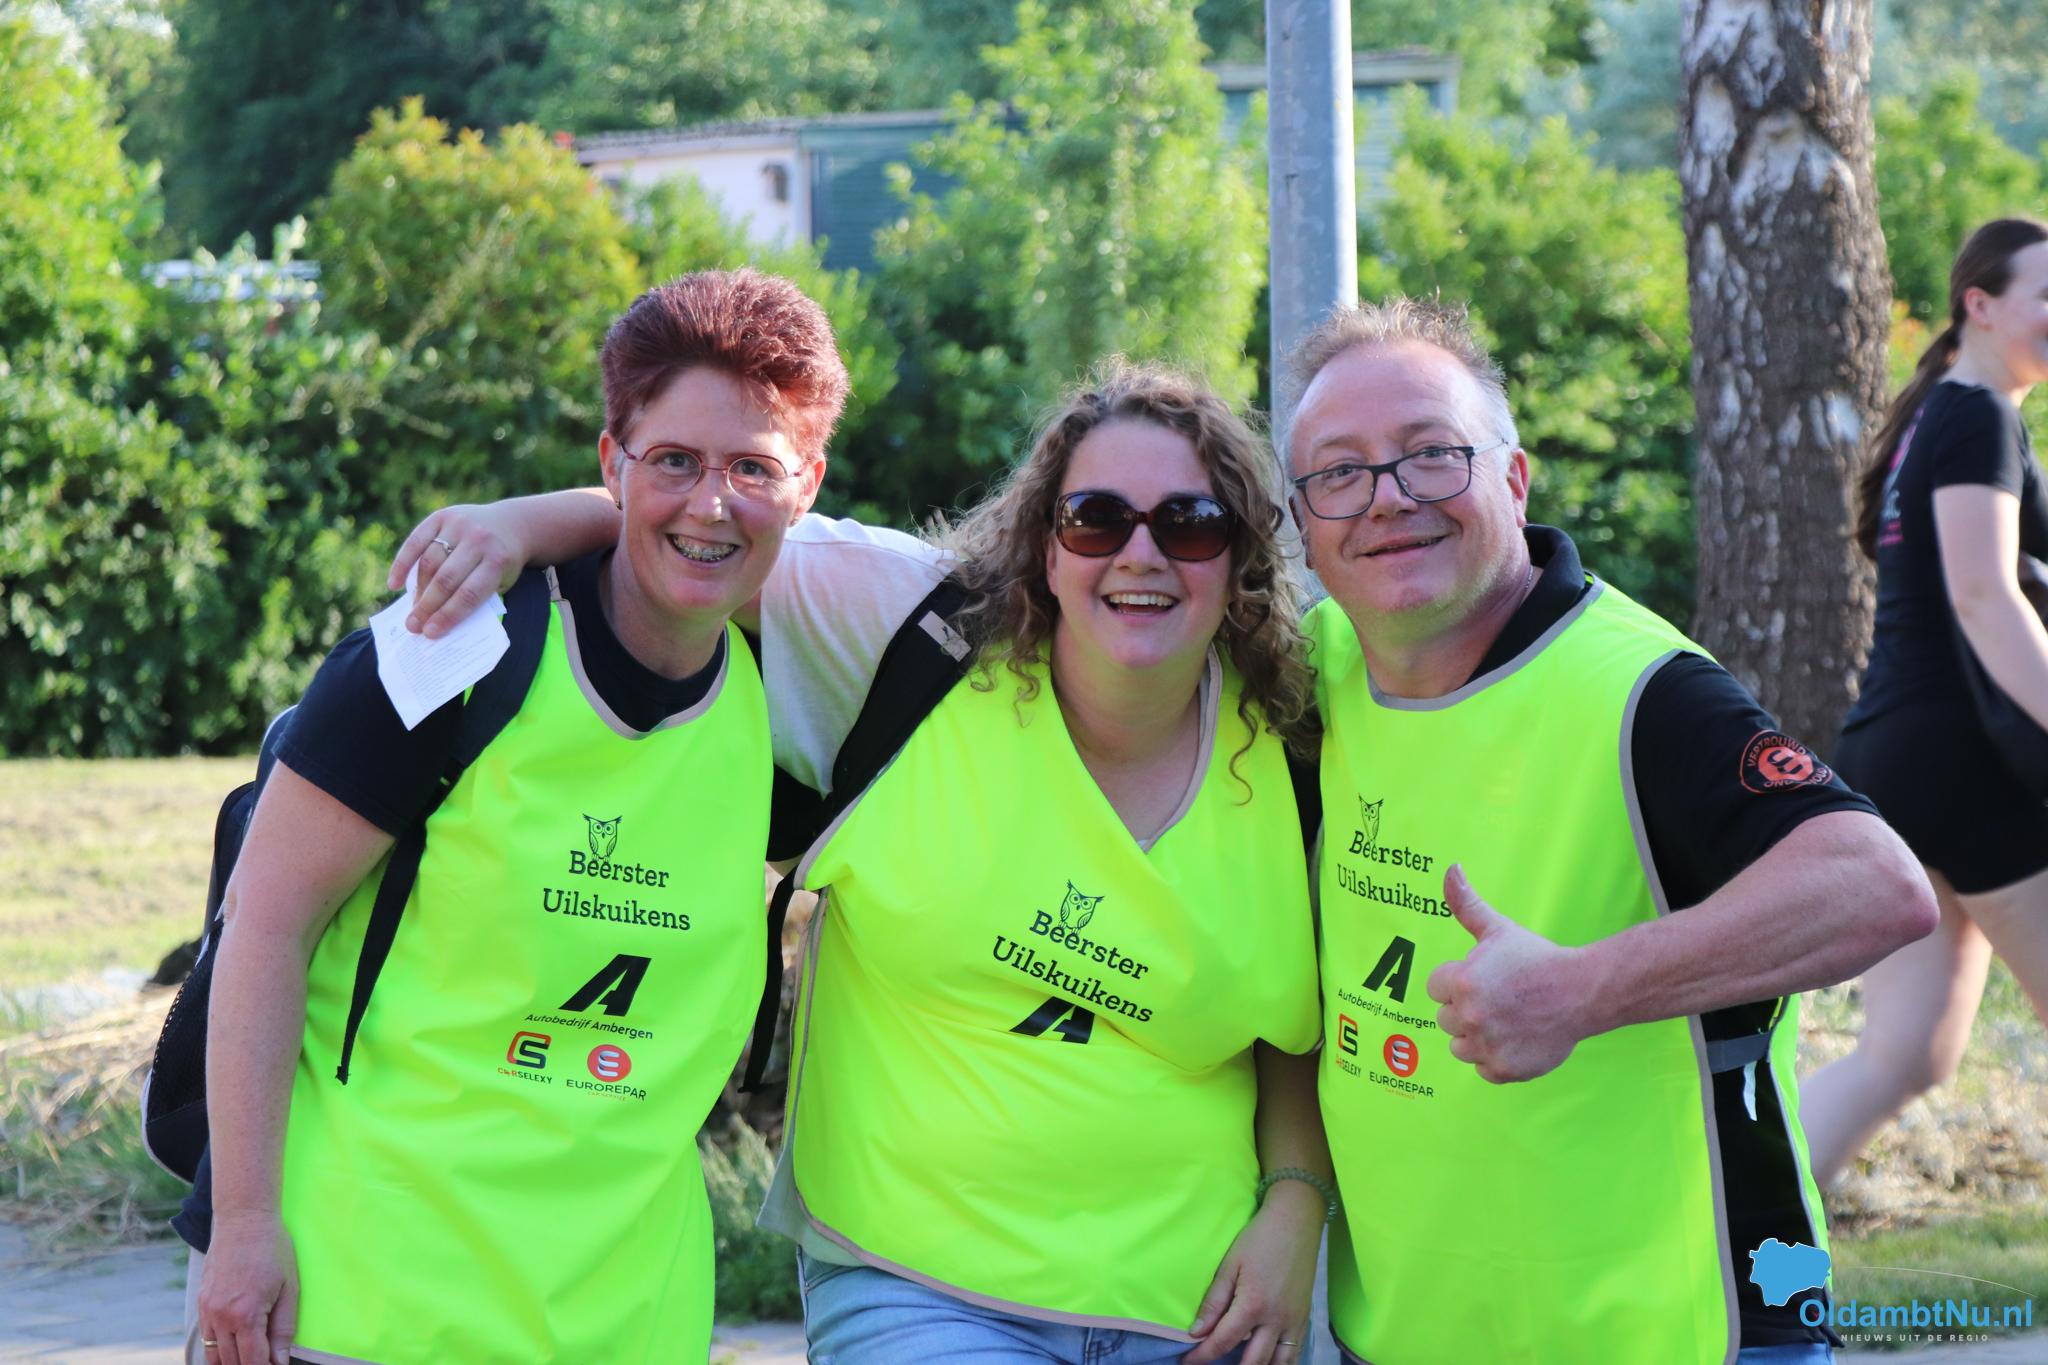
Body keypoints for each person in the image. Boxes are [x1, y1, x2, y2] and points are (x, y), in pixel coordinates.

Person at [393, 362, 1332, 1365]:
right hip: (917, 1284)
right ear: (1043, 547)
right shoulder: (910, 628)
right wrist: (515, 525)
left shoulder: (1297, 740)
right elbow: (701, 521)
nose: (1140, 554)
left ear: (1239, 555)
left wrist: (1295, 1204)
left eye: (1189, 523)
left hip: (1198, 1307)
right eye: (1095, 520)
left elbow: (1293, 1027)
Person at [191, 268, 842, 1365]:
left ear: (806, 482)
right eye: (673, 461)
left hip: (631, 1323)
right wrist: (244, 1224)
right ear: (612, 462)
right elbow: (264, 921)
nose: (710, 502)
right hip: (366, 1304)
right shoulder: (446, 647)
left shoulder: (783, 699)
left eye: (751, 467)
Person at [1284, 297, 1937, 1365]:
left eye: (1430, 454)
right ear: (1304, 524)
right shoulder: (1316, 666)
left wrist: (1580, 990)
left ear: (1512, 479)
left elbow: (1875, 885)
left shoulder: (1640, 691)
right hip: (1400, 1335)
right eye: (1339, 472)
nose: (1387, 496)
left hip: (1678, 1333)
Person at [1802, 218, 2048, 1187]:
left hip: (1896, 763)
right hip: (1964, 767)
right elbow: (1983, 598)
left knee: (1904, 1054)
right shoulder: (1976, 416)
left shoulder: (1939, 417)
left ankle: (1733, 1230)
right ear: (1979, 305)